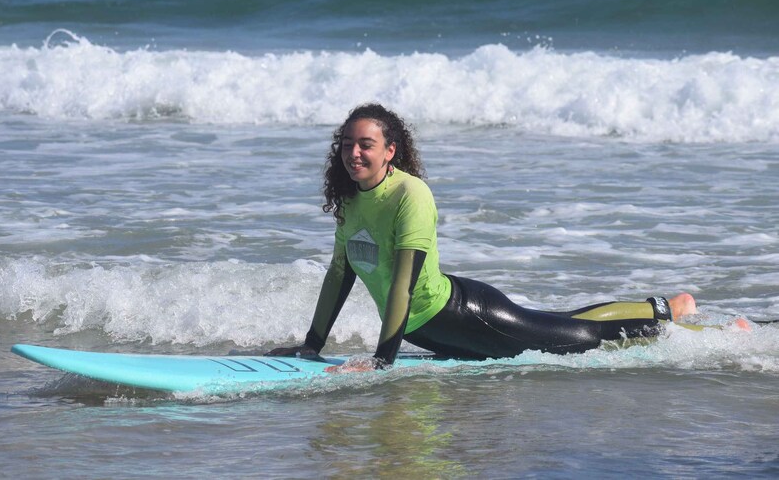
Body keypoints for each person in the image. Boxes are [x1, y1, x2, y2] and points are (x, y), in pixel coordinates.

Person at [267, 103, 714, 373]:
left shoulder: (410, 194)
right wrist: (312, 345)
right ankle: (667, 306)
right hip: (427, 330)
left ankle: (688, 328)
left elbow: (403, 284)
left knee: (580, 340)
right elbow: (340, 274)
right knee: (558, 322)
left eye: (365, 143)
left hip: (467, 316)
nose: (354, 153)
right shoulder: (350, 198)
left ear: (390, 151)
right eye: (347, 143)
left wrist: (383, 360)